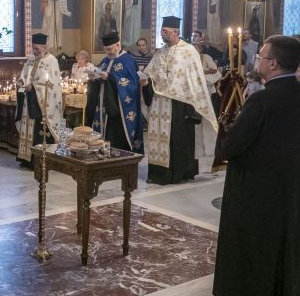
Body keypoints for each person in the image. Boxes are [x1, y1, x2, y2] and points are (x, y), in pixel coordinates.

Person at [213, 36, 300, 296]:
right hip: (290, 184)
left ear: (272, 63)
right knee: (283, 244)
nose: (257, 59)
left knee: (251, 246)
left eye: (260, 55)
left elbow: (232, 147)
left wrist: (230, 125)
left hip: (254, 186)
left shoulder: (261, 99)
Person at [142, 16, 217, 184]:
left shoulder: (189, 51)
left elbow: (194, 79)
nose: (162, 35)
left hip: (179, 104)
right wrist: (146, 81)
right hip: (159, 103)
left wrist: (191, 106)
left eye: (165, 32)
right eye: (161, 31)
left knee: (177, 139)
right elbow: (150, 73)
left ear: (176, 32)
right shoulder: (160, 53)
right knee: (157, 138)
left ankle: (178, 174)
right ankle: (158, 174)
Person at [85, 32, 143, 153]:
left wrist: (111, 78)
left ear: (118, 45)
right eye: (106, 49)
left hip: (118, 109)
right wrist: (93, 77)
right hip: (103, 108)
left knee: (116, 139)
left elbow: (133, 85)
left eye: (110, 49)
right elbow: (100, 77)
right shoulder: (106, 60)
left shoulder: (128, 61)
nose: (108, 52)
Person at [16, 33, 63, 167]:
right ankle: (25, 159)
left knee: (38, 129)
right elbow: (24, 74)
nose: (34, 51)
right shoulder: (31, 58)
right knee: (27, 127)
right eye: (33, 48)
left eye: (37, 48)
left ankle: (37, 162)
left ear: (44, 47)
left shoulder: (51, 60)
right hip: (28, 100)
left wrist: (35, 87)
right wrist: (20, 82)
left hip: (41, 103)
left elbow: (52, 84)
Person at [193, 39, 220, 160]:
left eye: (197, 48)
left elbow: (214, 69)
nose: (195, 51)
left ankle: (210, 148)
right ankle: (198, 150)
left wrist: (202, 71)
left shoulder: (206, 57)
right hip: (196, 91)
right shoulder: (190, 59)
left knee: (208, 119)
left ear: (200, 49)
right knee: (197, 121)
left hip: (207, 90)